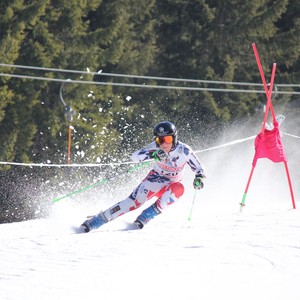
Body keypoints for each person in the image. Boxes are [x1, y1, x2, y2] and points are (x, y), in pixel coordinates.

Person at [79, 121, 206, 232]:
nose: (163, 144)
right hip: (154, 179)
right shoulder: (155, 147)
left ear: (174, 138)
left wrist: (199, 178)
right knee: (132, 203)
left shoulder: (184, 151)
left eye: (167, 139)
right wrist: (154, 154)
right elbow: (135, 157)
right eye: (159, 140)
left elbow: (199, 169)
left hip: (171, 185)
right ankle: (95, 221)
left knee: (179, 189)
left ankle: (147, 216)